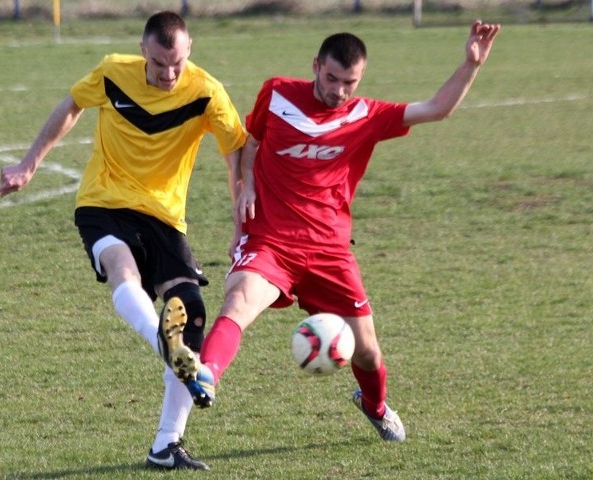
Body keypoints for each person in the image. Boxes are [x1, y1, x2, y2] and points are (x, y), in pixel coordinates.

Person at [170, 20, 501, 442]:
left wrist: (471, 64)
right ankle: (206, 375)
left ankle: (374, 405)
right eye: (331, 78)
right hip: (271, 240)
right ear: (315, 66)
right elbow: (252, 142)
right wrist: (247, 185)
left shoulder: (366, 114)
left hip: (330, 250)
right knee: (237, 301)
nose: (339, 90)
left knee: (367, 350)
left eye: (350, 82)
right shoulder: (277, 94)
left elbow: (437, 108)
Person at [0, 10, 246, 470]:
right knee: (122, 269)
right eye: (161, 63)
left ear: (190, 54)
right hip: (103, 202)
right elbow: (70, 104)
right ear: (144, 51)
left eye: (178, 64)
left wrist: (239, 226)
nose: (169, 74)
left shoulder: (207, 92)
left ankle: (166, 444)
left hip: (166, 217)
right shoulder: (113, 72)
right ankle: (164, 345)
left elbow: (236, 154)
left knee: (193, 312)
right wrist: (29, 164)